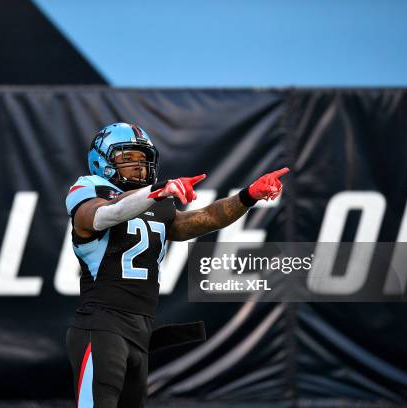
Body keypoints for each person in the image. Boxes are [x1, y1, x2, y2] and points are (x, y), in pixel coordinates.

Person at [65, 123, 289, 408]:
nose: (138, 166)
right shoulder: (87, 189)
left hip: (139, 330)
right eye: (128, 158)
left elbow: (205, 218)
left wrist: (248, 196)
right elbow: (104, 215)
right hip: (101, 326)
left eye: (142, 158)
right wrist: (153, 193)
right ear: (102, 161)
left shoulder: (156, 204)